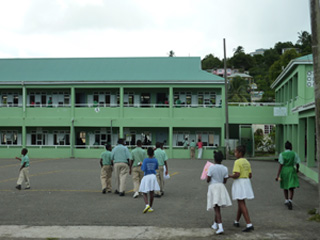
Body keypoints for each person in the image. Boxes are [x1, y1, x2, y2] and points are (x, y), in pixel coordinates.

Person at [228, 145, 254, 232]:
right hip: (246, 182)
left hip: (239, 182)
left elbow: (237, 174)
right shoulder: (247, 162)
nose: (235, 153)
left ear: (240, 153)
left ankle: (249, 224)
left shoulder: (237, 162)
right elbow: (250, 175)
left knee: (241, 202)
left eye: (235, 152)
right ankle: (236, 221)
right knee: (241, 201)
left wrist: (230, 176)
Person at [207, 151, 232, 235]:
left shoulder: (211, 167)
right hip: (221, 187)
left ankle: (220, 227)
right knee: (217, 205)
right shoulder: (225, 168)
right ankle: (215, 224)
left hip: (213, 187)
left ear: (214, 159)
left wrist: (207, 176)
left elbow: (208, 180)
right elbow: (225, 180)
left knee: (216, 208)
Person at [275, 141, 300, 210]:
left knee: (285, 185)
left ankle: (286, 199)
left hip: (284, 170)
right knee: (291, 186)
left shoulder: (281, 154)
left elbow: (281, 165)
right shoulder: (294, 154)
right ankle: (290, 200)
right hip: (291, 170)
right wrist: (297, 169)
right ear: (291, 147)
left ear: (285, 147)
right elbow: (297, 163)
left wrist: (277, 175)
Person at [139, 147, 160, 213]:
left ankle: (147, 204)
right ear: (153, 153)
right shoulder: (155, 160)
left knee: (144, 191)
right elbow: (156, 167)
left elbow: (143, 169)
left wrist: (141, 164)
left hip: (147, 176)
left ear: (147, 153)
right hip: (153, 176)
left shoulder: (145, 160)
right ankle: (150, 207)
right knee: (151, 192)